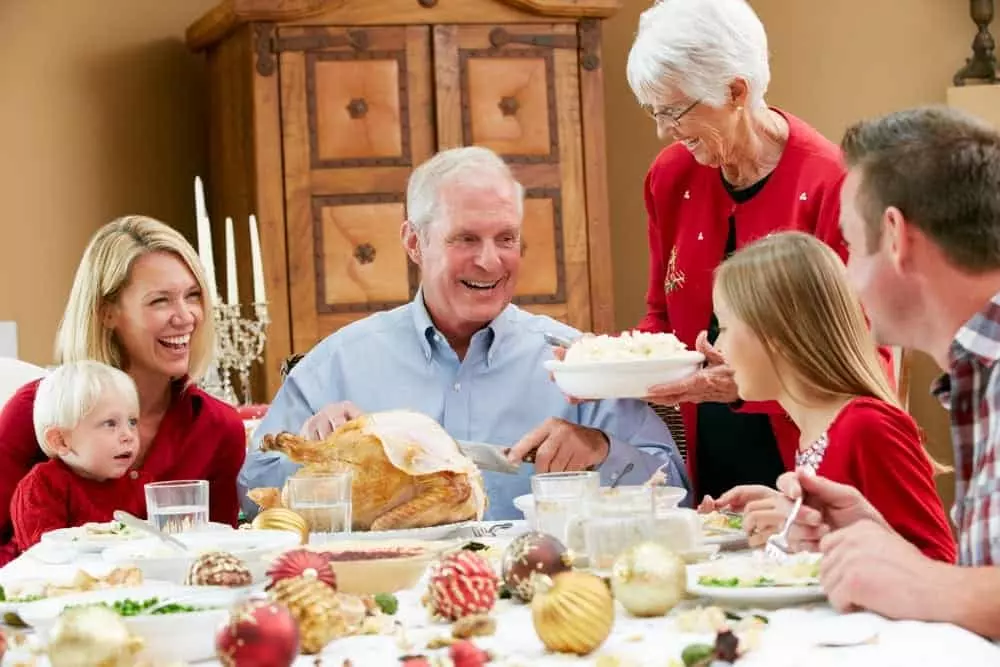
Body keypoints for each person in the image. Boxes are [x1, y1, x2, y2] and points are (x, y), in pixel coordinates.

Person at [239, 146, 689, 521]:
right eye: (466, 239)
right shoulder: (338, 362)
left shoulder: (579, 363)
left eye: (506, 238)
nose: (490, 261)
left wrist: (601, 450)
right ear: (414, 242)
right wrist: (320, 457)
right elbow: (252, 492)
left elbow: (676, 490)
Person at [624, 0, 893, 501]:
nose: (664, 131)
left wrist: (744, 384)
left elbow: (864, 363)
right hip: (711, 468)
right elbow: (661, 318)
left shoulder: (830, 183)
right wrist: (608, 367)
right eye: (653, 111)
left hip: (815, 475)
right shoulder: (670, 176)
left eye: (673, 111)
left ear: (735, 91)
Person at [774, 107, 1000, 638]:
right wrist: (882, 545)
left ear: (895, 236)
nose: (848, 280)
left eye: (850, 246)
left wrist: (924, 582)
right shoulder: (977, 377)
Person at [0, 216, 247, 565]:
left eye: (193, 296)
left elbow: (217, 560)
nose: (186, 316)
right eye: (160, 300)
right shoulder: (32, 411)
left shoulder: (219, 428)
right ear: (106, 313)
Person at [697, 232, 954, 562]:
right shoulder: (814, 430)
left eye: (726, 328)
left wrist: (814, 535)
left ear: (774, 334)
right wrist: (789, 514)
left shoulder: (867, 426)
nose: (718, 348)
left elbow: (938, 566)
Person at [11, 361, 147, 551]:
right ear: (61, 441)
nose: (129, 436)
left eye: (132, 422)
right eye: (110, 423)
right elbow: (45, 554)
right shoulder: (42, 487)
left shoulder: (136, 484)